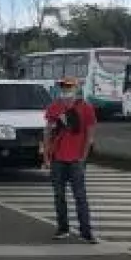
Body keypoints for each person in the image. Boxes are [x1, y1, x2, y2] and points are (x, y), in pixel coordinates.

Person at [43, 77, 97, 243]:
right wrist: (46, 156)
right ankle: (63, 228)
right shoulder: (54, 107)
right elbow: (47, 132)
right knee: (59, 195)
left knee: (80, 196)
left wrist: (83, 157)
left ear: (76, 88)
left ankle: (85, 231)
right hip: (58, 157)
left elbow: (90, 135)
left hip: (76, 159)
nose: (66, 89)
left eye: (69, 86)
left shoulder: (86, 108)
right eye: (63, 87)